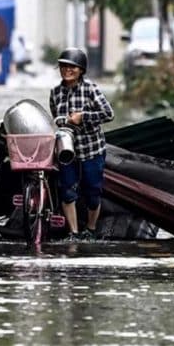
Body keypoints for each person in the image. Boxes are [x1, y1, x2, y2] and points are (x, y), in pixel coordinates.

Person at [49, 47, 114, 240]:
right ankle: (74, 232)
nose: (67, 70)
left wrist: (83, 117)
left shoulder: (90, 89)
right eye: (63, 66)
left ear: (81, 70)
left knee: (92, 191)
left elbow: (108, 114)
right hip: (66, 152)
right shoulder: (55, 93)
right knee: (67, 191)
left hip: (91, 149)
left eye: (72, 67)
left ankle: (91, 229)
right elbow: (54, 117)